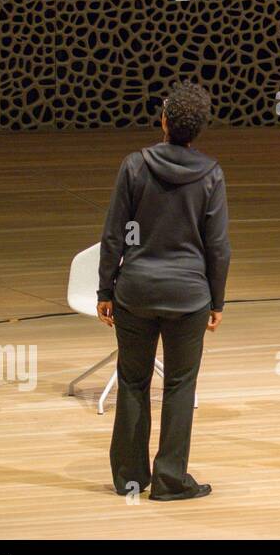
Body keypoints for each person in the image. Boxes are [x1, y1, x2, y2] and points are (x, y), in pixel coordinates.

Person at [97, 80, 230, 500]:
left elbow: (114, 235)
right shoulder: (211, 174)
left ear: (165, 121)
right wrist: (217, 300)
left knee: (133, 382)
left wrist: (104, 289)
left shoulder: (134, 166)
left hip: (135, 293)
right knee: (179, 385)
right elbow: (218, 246)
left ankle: (132, 479)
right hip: (189, 297)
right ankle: (171, 479)